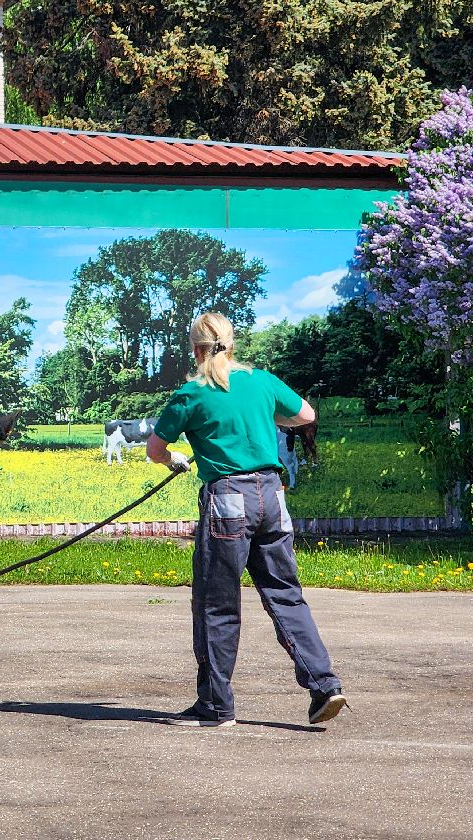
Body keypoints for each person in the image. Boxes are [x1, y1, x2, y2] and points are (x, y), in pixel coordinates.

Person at [146, 312, 347, 728]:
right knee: (285, 595)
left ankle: (216, 707)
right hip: (272, 495)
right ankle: (324, 685)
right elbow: (307, 415)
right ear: (231, 344)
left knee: (217, 603)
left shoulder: (192, 392)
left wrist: (175, 459)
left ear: (196, 349)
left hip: (228, 500)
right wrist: (268, 419)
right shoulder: (262, 381)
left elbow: (154, 448)